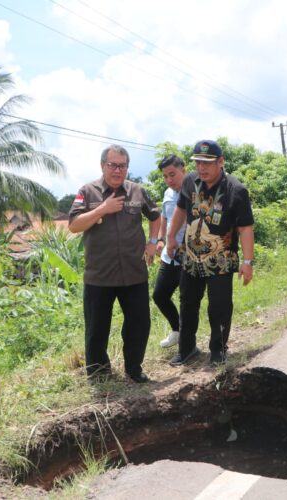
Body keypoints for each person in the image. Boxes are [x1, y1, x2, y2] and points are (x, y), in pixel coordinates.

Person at [68, 145, 161, 383]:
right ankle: (99, 374)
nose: (117, 170)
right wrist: (103, 208)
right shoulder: (87, 191)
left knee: (139, 324)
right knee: (97, 329)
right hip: (100, 275)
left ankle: (134, 368)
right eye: (112, 165)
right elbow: (74, 225)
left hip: (134, 272)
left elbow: (155, 216)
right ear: (102, 166)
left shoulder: (137, 191)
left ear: (128, 167)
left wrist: (153, 242)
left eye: (122, 166)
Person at [166, 139, 255, 366]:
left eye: (207, 163)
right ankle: (186, 349)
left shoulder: (236, 190)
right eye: (197, 162)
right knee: (188, 303)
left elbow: (245, 228)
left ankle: (218, 351)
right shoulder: (189, 182)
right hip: (191, 256)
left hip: (221, 259)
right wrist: (170, 238)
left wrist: (248, 262)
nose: (201, 168)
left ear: (221, 162)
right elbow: (180, 210)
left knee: (219, 306)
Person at [152, 154, 187, 348]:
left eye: (172, 174)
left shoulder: (195, 191)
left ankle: (187, 343)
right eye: (165, 176)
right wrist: (160, 239)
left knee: (186, 300)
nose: (169, 180)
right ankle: (177, 330)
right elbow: (164, 217)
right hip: (169, 254)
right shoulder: (167, 193)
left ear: (184, 169)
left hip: (189, 255)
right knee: (159, 295)